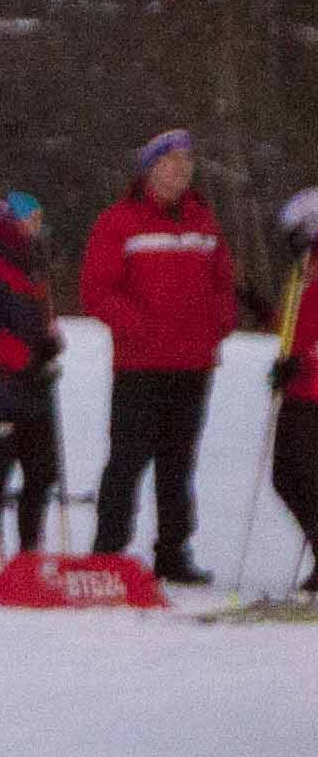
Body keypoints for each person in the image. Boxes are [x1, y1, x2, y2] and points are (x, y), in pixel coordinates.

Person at [81, 130, 261, 585]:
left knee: (178, 461)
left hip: (193, 362)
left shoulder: (204, 220)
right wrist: (138, 326)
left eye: (188, 161)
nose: (182, 168)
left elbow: (224, 280)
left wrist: (219, 321)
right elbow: (97, 290)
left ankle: (173, 551)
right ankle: (109, 548)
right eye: (172, 160)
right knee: (128, 457)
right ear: (151, 167)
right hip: (141, 363)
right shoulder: (120, 220)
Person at [0, 188, 65, 578]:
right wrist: (27, 358)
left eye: (38, 221)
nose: (35, 228)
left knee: (41, 470)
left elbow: (39, 318)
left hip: (32, 387)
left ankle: (30, 549)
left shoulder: (34, 262)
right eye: (28, 220)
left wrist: (49, 344)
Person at [272, 187, 318, 596]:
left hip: (313, 391)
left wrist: (303, 361)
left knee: (303, 475)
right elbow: (296, 324)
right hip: (298, 391)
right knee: (286, 477)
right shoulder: (301, 273)